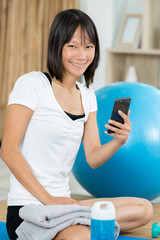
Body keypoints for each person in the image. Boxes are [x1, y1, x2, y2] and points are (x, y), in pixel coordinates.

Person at [0, 9, 153, 240]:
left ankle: (81, 221)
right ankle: (84, 225)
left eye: (88, 46)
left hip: (66, 205)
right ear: (57, 46)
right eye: (72, 46)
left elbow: (92, 156)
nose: (81, 55)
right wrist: (49, 199)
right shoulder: (32, 84)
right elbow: (8, 150)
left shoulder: (88, 96)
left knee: (144, 209)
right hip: (30, 208)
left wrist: (118, 141)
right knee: (80, 236)